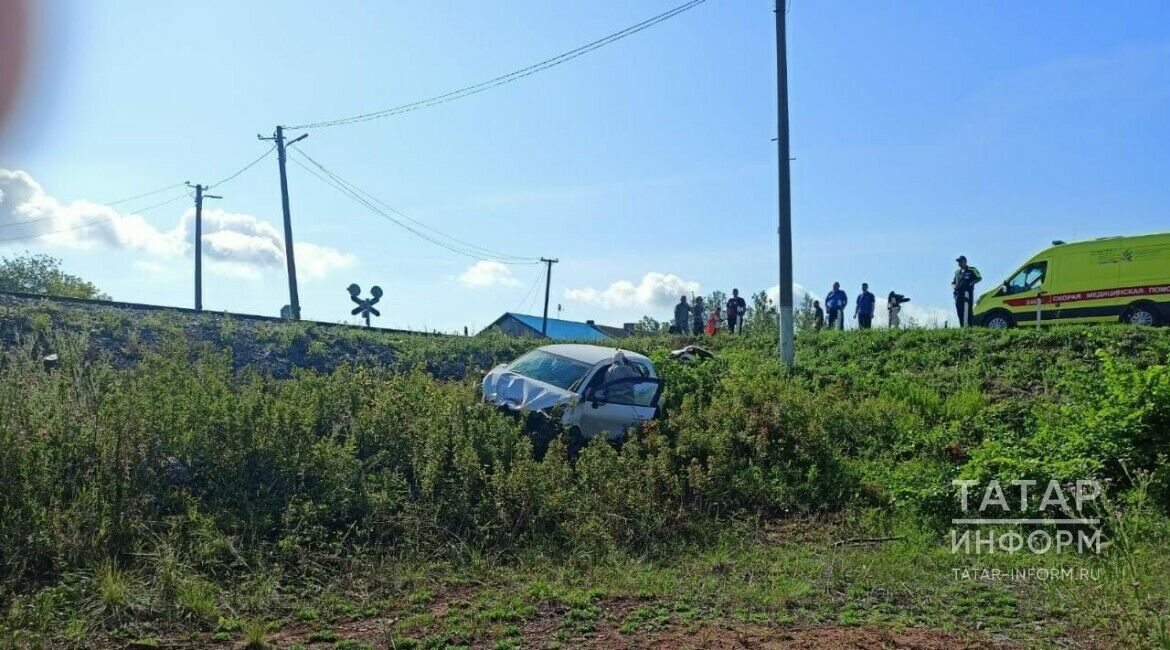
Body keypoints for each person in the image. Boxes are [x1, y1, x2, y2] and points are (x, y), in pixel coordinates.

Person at [952, 255, 983, 327]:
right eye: (958, 262)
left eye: (961, 261)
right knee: (959, 310)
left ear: (965, 261)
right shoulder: (957, 272)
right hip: (958, 294)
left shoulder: (971, 269)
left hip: (967, 293)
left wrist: (971, 283)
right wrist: (954, 287)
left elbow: (979, 278)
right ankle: (962, 326)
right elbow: (953, 282)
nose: (959, 263)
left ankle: (969, 326)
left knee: (967, 310)